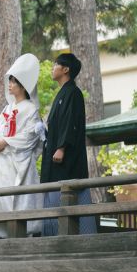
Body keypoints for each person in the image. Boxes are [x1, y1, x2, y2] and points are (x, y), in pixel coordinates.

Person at [0, 53, 45, 238]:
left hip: (17, 161)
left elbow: (30, 137)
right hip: (2, 161)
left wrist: (6, 141)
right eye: (9, 81)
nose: (9, 85)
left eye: (13, 81)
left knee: (18, 199)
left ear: (23, 85)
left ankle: (20, 231)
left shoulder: (31, 110)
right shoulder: (6, 109)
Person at [40, 52, 97, 235]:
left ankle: (77, 236)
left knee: (69, 191)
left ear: (65, 69)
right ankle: (53, 236)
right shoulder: (63, 93)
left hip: (65, 157)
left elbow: (70, 122)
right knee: (54, 194)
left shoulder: (73, 93)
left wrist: (61, 147)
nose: (52, 68)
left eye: (55, 65)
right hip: (55, 156)